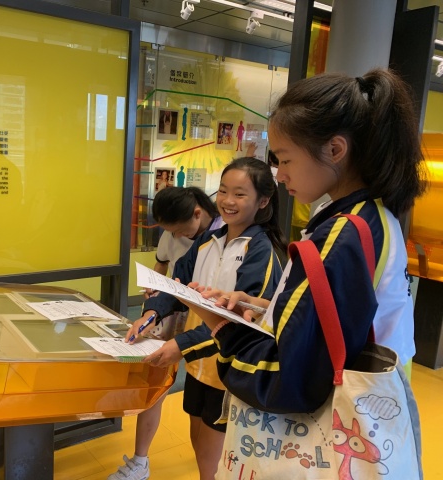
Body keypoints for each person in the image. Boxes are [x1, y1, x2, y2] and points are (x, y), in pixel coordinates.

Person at [187, 69, 427, 477]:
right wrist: (262, 306)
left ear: (335, 149)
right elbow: (339, 322)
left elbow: (289, 378)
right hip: (379, 409)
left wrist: (219, 325)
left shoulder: (340, 236)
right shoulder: (375, 217)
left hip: (329, 432)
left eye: (285, 159)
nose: (280, 175)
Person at [123, 157, 286, 480]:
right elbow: (177, 285)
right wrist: (153, 312)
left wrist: (181, 344)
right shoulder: (208, 241)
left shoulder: (261, 250)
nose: (228, 200)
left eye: (240, 194)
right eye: (223, 191)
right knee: (200, 442)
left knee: (214, 455)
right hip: (200, 367)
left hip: (230, 370)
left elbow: (242, 322)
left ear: (263, 201)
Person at [109, 186, 224, 480]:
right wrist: (153, 297)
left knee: (210, 403)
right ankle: (140, 460)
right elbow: (164, 265)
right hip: (170, 306)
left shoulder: (223, 235)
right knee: (156, 382)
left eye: (180, 230)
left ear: (197, 214)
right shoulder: (174, 232)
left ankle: (215, 468)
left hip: (208, 318)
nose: (176, 236)